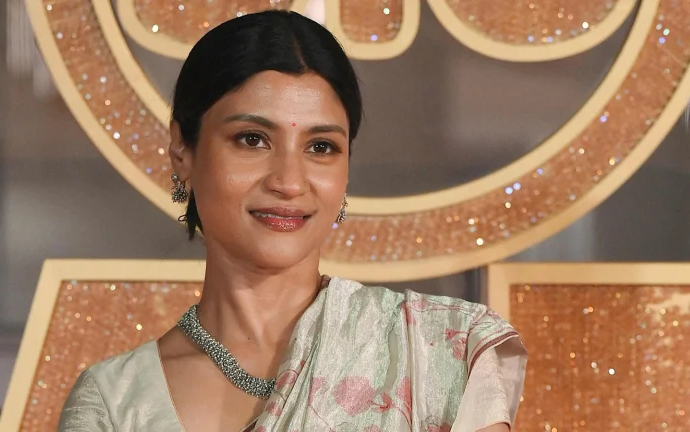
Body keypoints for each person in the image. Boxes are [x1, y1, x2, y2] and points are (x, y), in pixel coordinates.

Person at [58, 9, 526, 432]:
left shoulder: (440, 354)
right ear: (182, 150)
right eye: (252, 139)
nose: (289, 181)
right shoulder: (114, 405)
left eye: (321, 147)